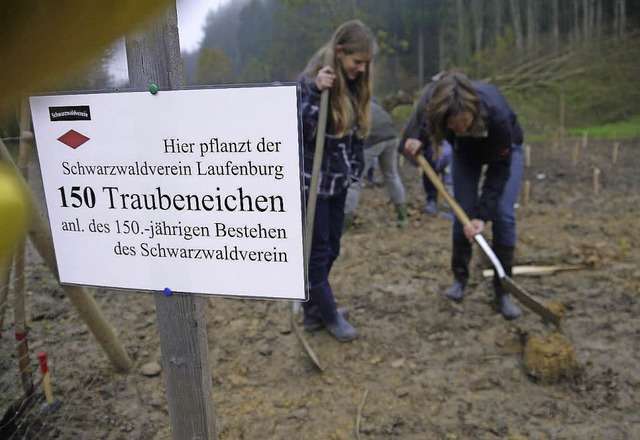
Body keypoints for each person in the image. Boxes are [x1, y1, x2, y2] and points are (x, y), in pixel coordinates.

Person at [404, 70, 524, 320]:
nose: (458, 127)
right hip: (466, 154)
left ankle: (503, 291)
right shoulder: (442, 112)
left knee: (502, 215)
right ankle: (459, 278)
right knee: (462, 213)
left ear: (473, 111)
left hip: (505, 151)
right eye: (452, 124)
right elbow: (427, 122)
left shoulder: (497, 115)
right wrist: (418, 139)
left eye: (463, 121)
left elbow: (499, 172)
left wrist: (483, 216)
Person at [297, 19, 376, 342]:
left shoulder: (356, 85)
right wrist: (316, 94)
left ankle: (313, 311)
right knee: (316, 253)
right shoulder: (310, 83)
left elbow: (356, 136)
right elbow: (301, 130)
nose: (361, 69)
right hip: (313, 184)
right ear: (340, 52)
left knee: (332, 248)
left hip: (338, 182)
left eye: (365, 64)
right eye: (357, 62)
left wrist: (355, 168)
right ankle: (328, 315)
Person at [344, 99, 408, 230]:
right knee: (392, 176)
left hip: (373, 139)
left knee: (354, 181)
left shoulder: (349, 105)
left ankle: (345, 225)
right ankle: (403, 218)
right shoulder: (372, 103)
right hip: (391, 137)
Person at [400, 72, 453, 216]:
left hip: (447, 135)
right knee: (432, 167)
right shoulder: (434, 91)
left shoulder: (450, 91)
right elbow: (425, 116)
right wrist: (420, 138)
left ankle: (449, 203)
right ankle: (434, 201)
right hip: (432, 137)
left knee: (449, 169)